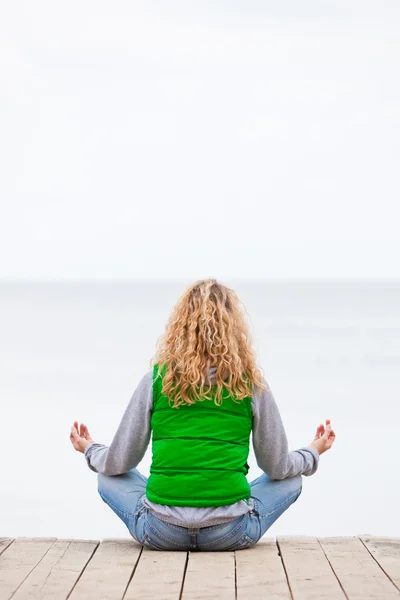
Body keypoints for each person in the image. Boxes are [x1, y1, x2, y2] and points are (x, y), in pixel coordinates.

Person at [70, 279, 335, 551]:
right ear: (234, 330)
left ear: (180, 327)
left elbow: (118, 462)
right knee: (291, 479)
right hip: (231, 533)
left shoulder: (156, 381)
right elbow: (277, 467)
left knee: (105, 475)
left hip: (161, 532)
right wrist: (313, 451)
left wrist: (90, 449)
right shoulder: (251, 385)